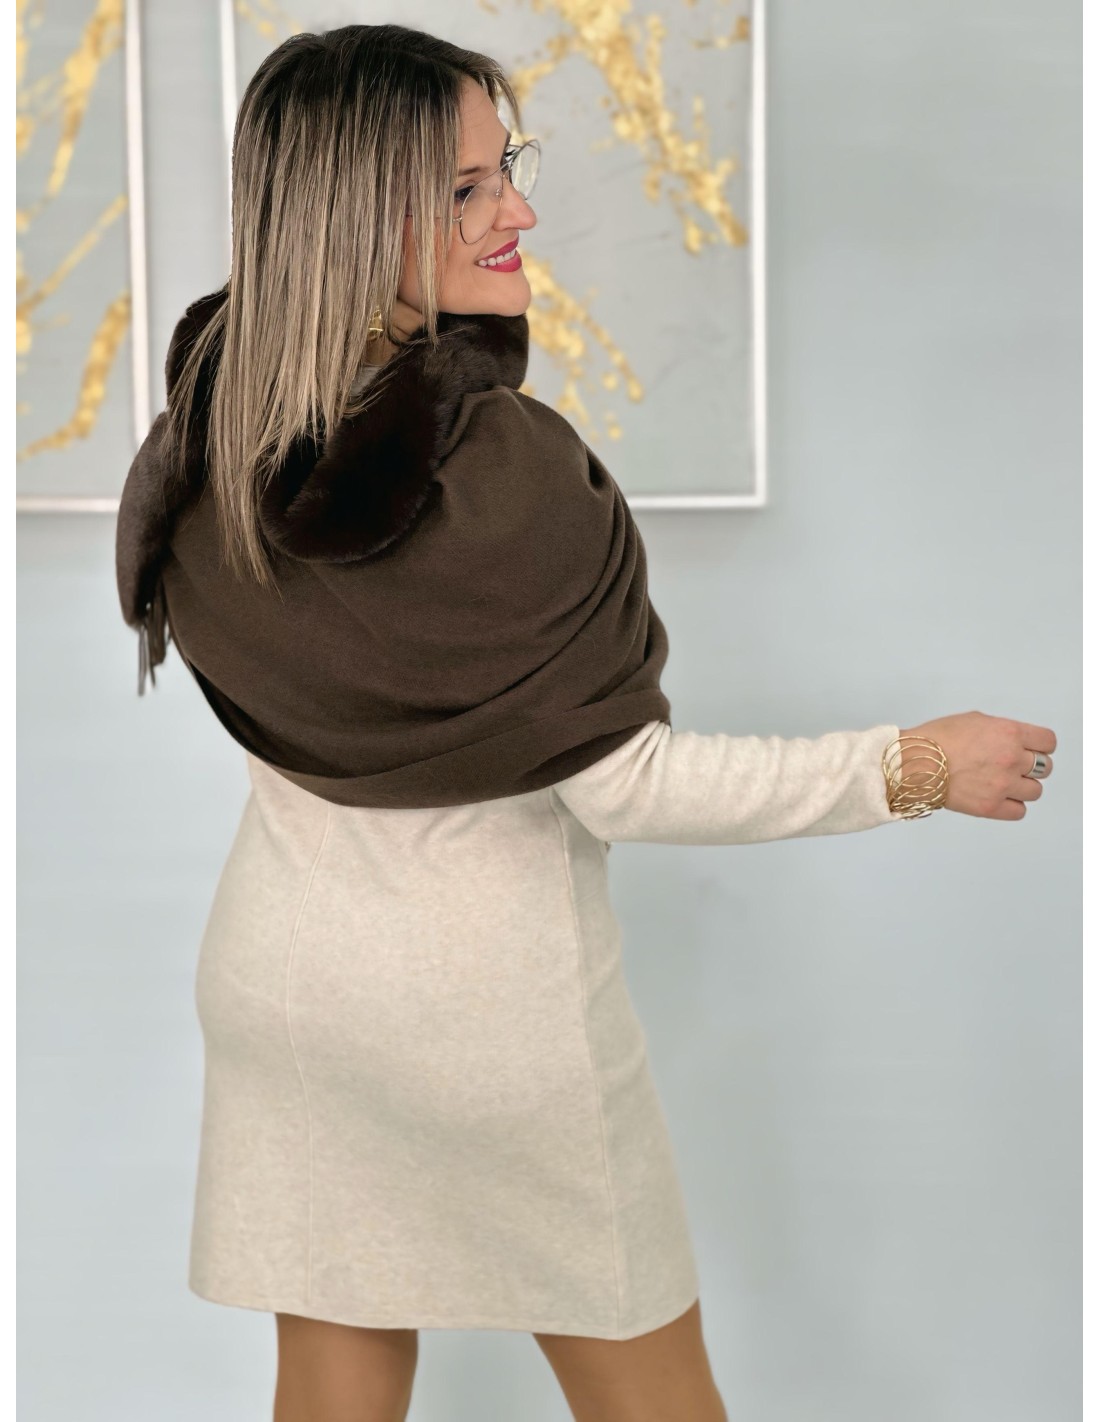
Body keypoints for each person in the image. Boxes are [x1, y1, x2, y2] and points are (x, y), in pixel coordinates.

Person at [113, 22, 1056, 1422]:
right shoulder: (501, 469)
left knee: (333, 1377)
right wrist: (912, 767)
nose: (519, 212)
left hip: (285, 994)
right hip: (491, 1020)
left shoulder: (208, 430)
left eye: (510, 168)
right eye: (466, 189)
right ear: (355, 209)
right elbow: (626, 783)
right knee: (653, 1398)